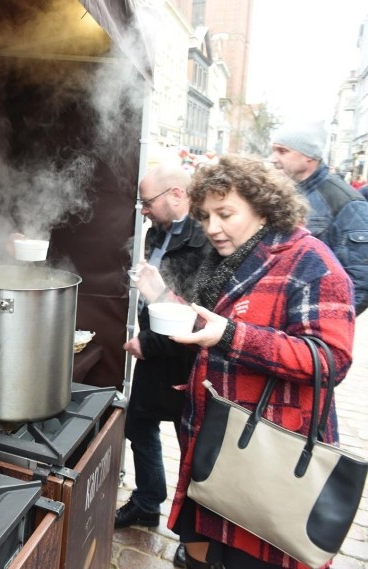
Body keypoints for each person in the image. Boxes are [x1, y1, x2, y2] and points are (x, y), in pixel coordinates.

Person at [134, 155, 355, 569]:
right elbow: (205, 325)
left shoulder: (310, 261)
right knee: (197, 554)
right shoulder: (224, 260)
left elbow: (330, 360)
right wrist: (161, 298)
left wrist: (233, 337)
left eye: (226, 214)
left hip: (267, 456)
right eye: (206, 216)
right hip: (211, 443)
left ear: (263, 206)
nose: (212, 227)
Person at [115, 163, 212, 569]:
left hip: (184, 358)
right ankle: (147, 501)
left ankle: (195, 537)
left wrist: (146, 342)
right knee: (139, 426)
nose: (142, 210)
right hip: (156, 354)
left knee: (192, 444)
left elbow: (189, 309)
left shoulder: (204, 241)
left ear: (176, 195)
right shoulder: (159, 229)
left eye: (147, 201)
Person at [270, 120, 368, 315]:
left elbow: (360, 280)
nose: (273, 158)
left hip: (309, 327)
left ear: (309, 156)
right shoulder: (280, 191)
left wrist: (321, 323)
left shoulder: (346, 203)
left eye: (282, 151)